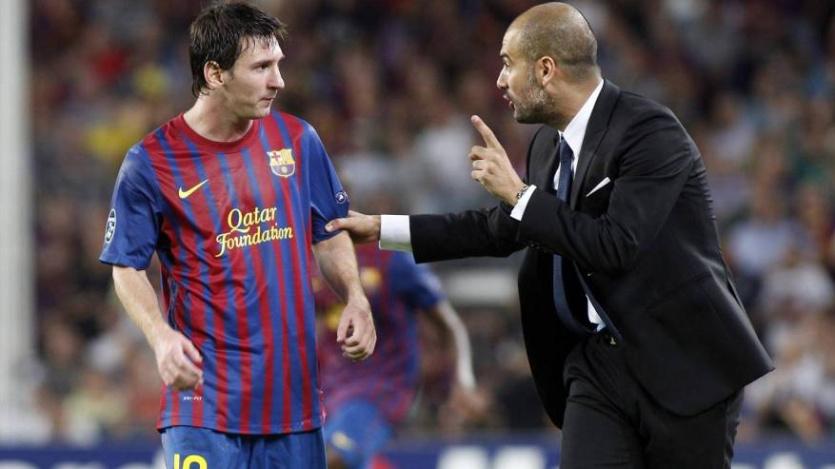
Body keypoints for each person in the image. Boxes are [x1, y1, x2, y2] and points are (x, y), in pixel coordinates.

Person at [326, 2, 774, 468]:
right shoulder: (546, 144)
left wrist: (519, 194)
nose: (500, 80)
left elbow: (615, 245)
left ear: (545, 69)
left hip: (683, 364)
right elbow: (499, 229)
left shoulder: (649, 132)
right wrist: (382, 228)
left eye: (507, 64)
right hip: (597, 366)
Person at [99, 3, 376, 468]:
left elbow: (329, 234)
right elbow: (126, 266)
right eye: (262, 67)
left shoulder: (298, 140)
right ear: (215, 74)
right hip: (202, 406)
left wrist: (355, 297)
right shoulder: (151, 162)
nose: (278, 81)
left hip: (292, 407)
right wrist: (160, 337)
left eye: (278, 65)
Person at [314, 243, 479, 469]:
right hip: (329, 391)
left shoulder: (393, 260)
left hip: (381, 390)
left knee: (333, 459)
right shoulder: (313, 257)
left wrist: (463, 382)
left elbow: (449, 325)